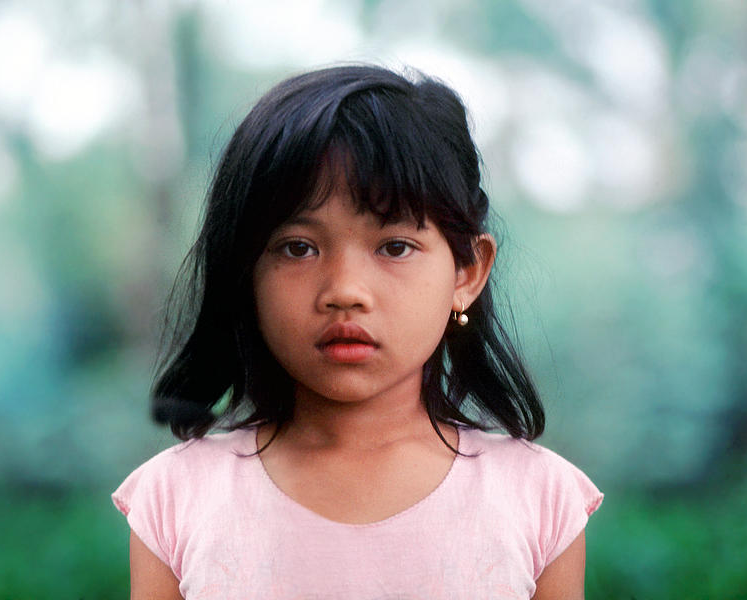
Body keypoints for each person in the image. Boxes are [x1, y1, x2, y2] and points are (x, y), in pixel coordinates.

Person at [112, 64, 603, 600]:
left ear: (467, 273)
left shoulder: (538, 500)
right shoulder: (176, 500)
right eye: (298, 247)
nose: (345, 290)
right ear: (245, 271)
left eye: (394, 246)